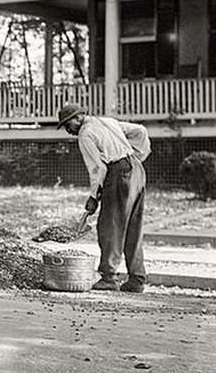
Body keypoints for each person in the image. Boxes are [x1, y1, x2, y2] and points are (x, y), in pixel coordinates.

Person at [57, 103, 151, 293]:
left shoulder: (85, 134)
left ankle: (108, 276)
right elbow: (140, 131)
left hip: (118, 172)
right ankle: (137, 278)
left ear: (79, 117)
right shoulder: (108, 121)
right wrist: (137, 157)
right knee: (133, 226)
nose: (68, 130)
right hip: (136, 171)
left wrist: (93, 196)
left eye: (68, 124)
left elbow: (98, 168)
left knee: (110, 226)